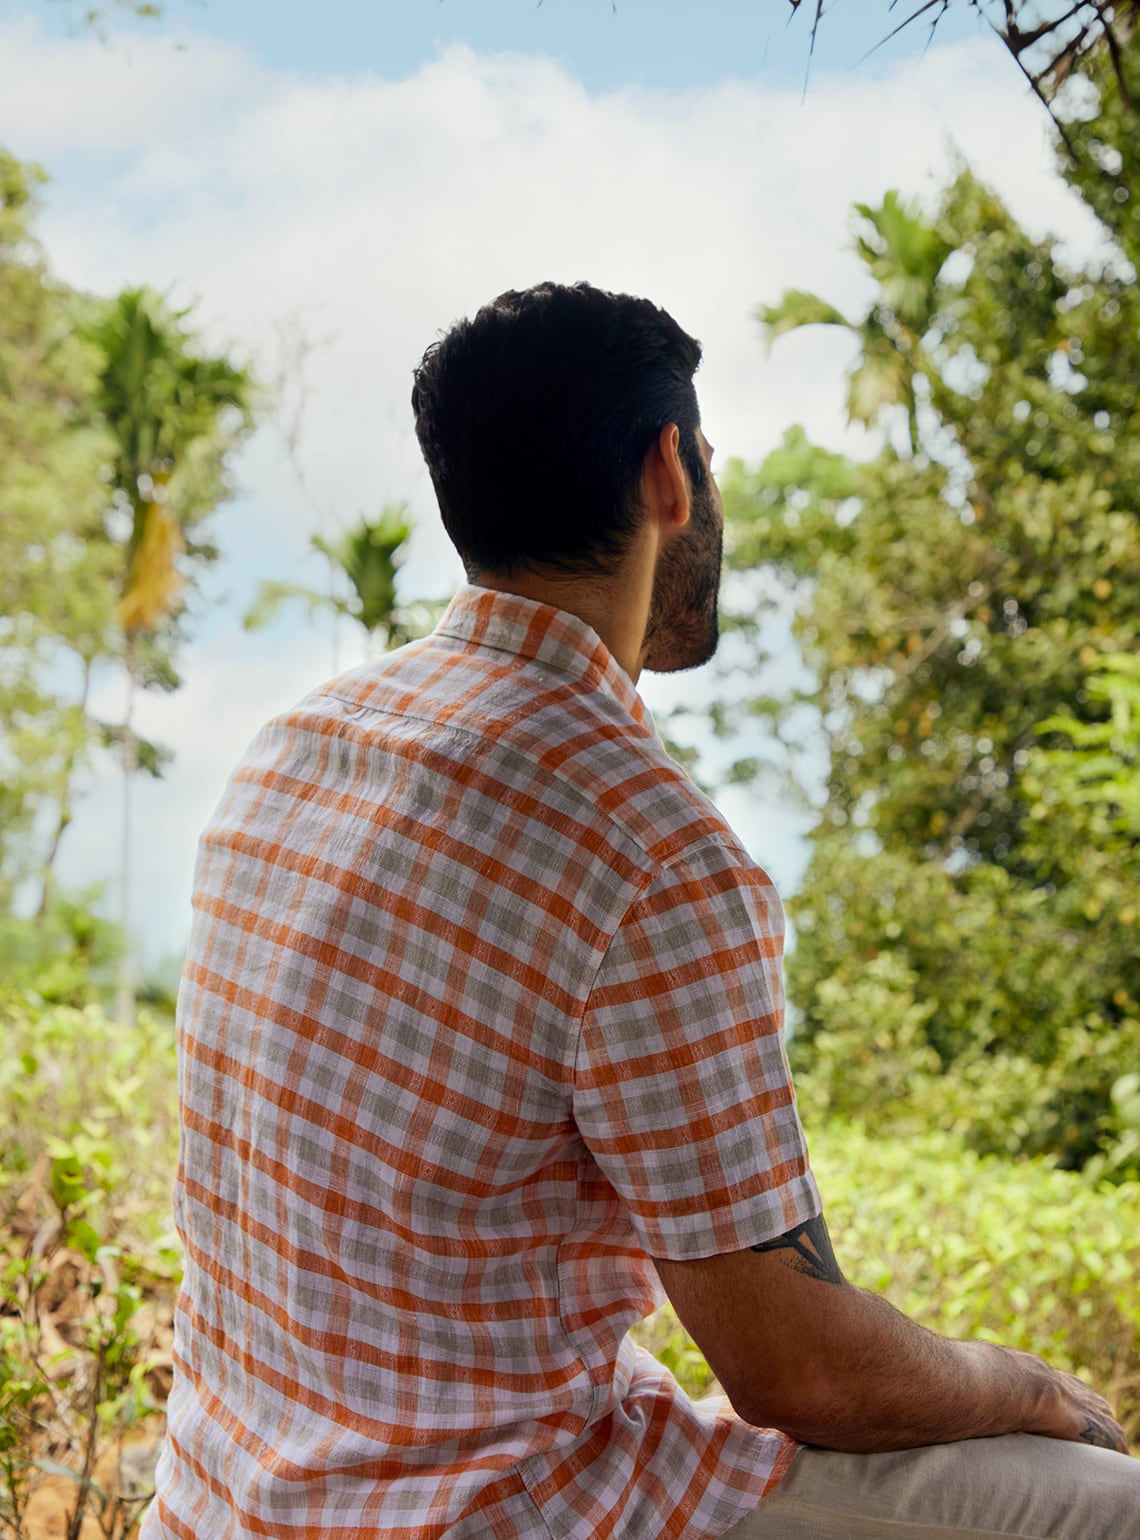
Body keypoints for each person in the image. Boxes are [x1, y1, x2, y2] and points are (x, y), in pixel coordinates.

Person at [143, 281, 1138, 1539]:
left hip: (219, 1499)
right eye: (710, 462)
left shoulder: (295, 746)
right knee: (1111, 1504)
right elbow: (799, 1370)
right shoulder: (650, 847)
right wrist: (1034, 1386)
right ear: (670, 473)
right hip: (504, 1511)